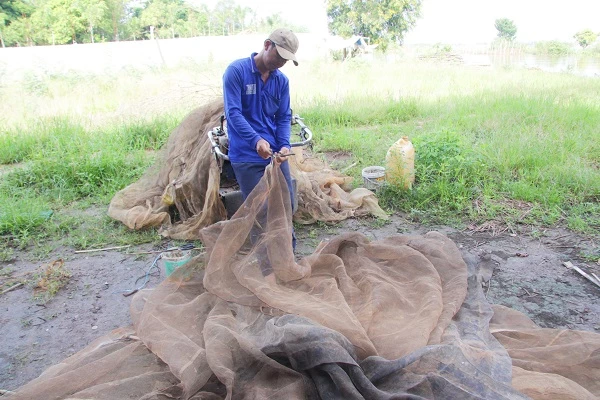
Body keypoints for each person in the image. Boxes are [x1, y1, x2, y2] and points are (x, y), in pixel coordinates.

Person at [223, 28, 299, 280]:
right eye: (280, 57)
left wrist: (284, 144)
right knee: (262, 210)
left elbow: (283, 116)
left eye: (287, 60)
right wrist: (256, 140)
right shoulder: (236, 72)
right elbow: (234, 114)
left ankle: (288, 260)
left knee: (286, 205)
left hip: (275, 155)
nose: (282, 64)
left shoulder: (281, 81)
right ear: (267, 45)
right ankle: (268, 270)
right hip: (246, 155)